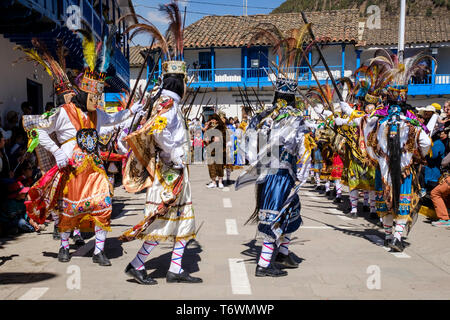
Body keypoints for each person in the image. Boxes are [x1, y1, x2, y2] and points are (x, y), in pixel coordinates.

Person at [23, 28, 141, 265]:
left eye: (99, 97)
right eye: (94, 96)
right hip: (71, 168)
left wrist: (131, 112)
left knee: (103, 204)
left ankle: (99, 251)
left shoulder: (97, 113)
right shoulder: (63, 112)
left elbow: (113, 120)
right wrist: (57, 152)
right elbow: (38, 130)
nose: (97, 101)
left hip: (94, 168)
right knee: (70, 210)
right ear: (83, 93)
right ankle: (65, 246)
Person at [120, 3, 202, 285]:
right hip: (170, 171)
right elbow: (158, 132)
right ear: (179, 82)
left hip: (176, 171)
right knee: (163, 220)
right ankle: (137, 264)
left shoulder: (165, 102)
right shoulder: (167, 106)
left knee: (183, 220)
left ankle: (175, 269)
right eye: (185, 80)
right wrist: (174, 156)